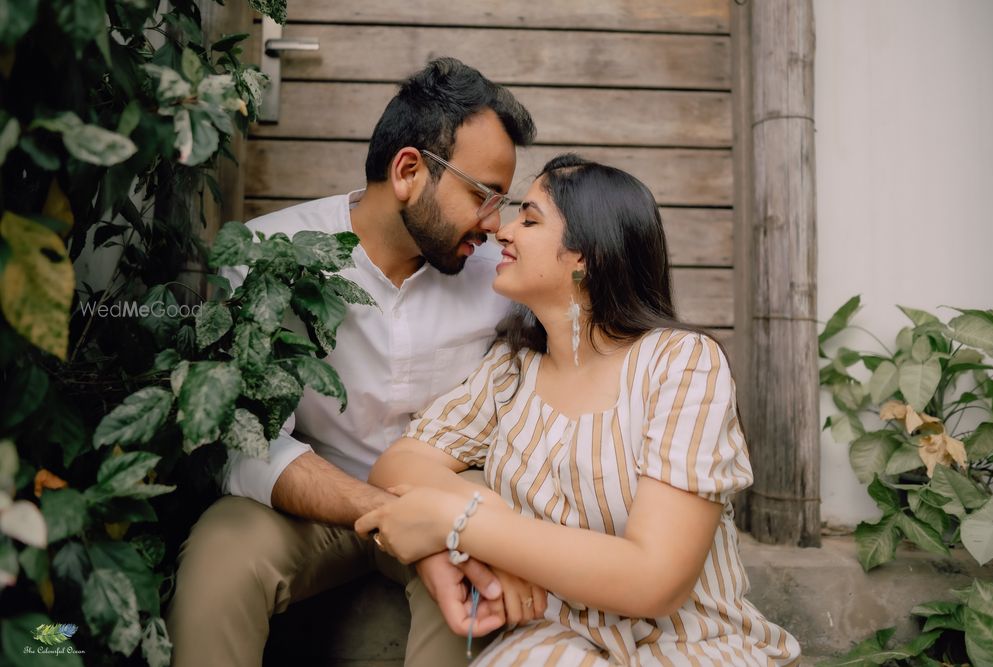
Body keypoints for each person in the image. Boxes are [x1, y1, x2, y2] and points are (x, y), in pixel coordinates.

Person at [165, 57, 544, 666]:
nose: (494, 224)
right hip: (311, 502)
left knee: (481, 575)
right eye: (481, 195)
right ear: (408, 170)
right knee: (218, 560)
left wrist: (444, 520)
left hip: (447, 492)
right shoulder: (267, 255)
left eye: (503, 201)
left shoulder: (496, 276)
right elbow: (246, 442)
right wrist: (393, 514)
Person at [356, 154, 802, 665]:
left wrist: (466, 521)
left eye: (529, 219)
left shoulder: (680, 364)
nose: (502, 231)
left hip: (691, 643)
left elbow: (654, 578)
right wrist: (488, 516)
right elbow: (397, 465)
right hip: (554, 639)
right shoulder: (513, 370)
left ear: (585, 255)